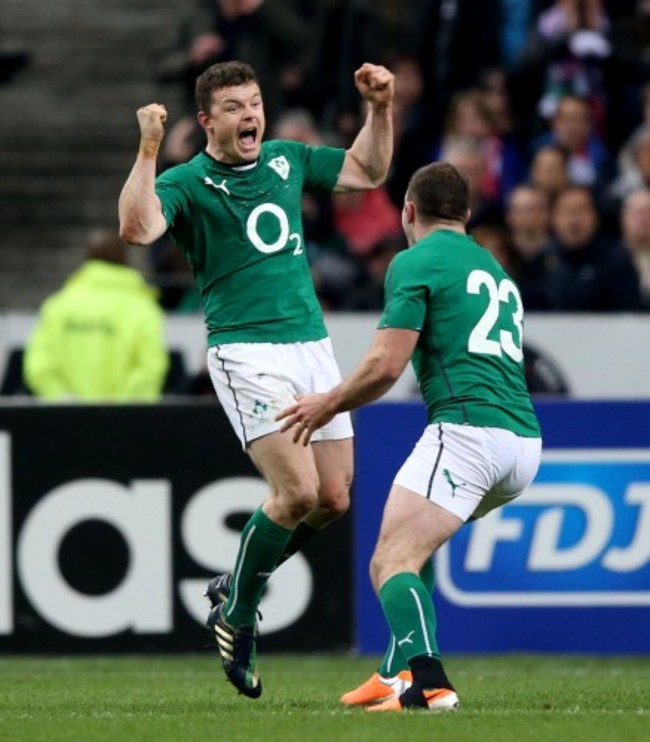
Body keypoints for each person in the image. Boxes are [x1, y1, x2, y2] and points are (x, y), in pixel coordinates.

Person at [118, 59, 395, 699]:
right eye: (236, 107)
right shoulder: (187, 181)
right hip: (246, 350)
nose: (251, 116)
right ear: (208, 121)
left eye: (256, 102)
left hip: (310, 345)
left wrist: (381, 108)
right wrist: (149, 149)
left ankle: (234, 585)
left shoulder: (286, 159)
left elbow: (369, 170)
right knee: (295, 492)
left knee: (333, 498)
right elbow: (137, 228)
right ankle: (239, 614)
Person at [277, 162, 542, 712]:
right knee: (413, 555)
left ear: (409, 212)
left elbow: (385, 364)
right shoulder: (495, 269)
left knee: (390, 562)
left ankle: (430, 682)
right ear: (467, 215)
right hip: (523, 446)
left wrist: (326, 404)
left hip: (468, 429)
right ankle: (393, 673)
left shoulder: (414, 260)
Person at [23, 229, 169, 402]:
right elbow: (150, 368)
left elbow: (39, 364)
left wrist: (64, 399)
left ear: (87, 259)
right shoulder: (143, 309)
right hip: (124, 424)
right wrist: (119, 406)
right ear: (125, 259)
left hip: (65, 422)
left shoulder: (57, 306)